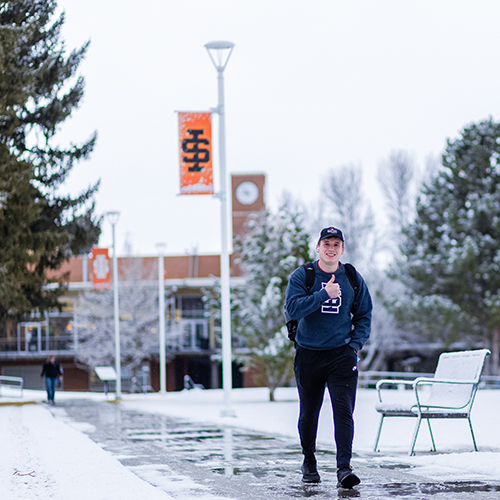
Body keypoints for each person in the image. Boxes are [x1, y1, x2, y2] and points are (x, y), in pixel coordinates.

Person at [285, 227, 372, 489]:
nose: (331, 248)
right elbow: (293, 309)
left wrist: (354, 347)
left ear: (342, 249)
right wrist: (324, 294)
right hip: (309, 354)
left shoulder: (351, 276)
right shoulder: (304, 275)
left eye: (336, 244)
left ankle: (344, 468)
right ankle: (309, 462)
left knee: (344, 412)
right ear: (318, 247)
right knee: (309, 414)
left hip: (341, 356)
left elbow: (364, 316)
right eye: (326, 244)